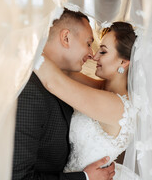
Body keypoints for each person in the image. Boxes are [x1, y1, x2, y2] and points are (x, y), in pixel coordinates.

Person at [12, 8, 115, 180]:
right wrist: (84, 178)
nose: (91, 54)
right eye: (89, 43)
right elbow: (18, 177)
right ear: (66, 37)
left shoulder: (63, 80)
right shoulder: (29, 94)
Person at [34, 22, 139, 179]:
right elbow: (65, 71)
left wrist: (25, 44)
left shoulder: (114, 106)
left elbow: (53, 81)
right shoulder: (102, 89)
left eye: (103, 52)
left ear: (123, 62)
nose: (94, 56)